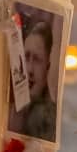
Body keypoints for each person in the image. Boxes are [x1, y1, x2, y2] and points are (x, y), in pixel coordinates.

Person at [8, 14, 58, 142]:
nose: (29, 70)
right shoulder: (9, 109)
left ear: (47, 66)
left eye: (37, 60)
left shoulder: (50, 118)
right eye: (26, 56)